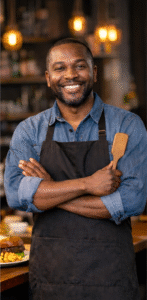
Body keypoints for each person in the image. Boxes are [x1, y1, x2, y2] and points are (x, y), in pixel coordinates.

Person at [4, 38, 147, 300]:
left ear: (93, 72)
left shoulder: (128, 125)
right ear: (48, 78)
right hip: (50, 281)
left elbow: (132, 201)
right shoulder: (30, 131)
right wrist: (87, 185)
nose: (70, 74)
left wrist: (48, 192)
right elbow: (16, 195)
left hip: (111, 281)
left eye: (79, 66)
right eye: (60, 68)